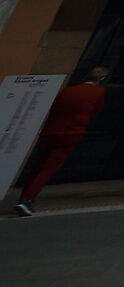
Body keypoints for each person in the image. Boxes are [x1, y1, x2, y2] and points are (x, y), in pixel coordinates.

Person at [14, 66, 110, 215]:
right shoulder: (99, 92)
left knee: (38, 167)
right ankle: (26, 200)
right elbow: (96, 110)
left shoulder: (67, 90)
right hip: (70, 134)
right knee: (49, 168)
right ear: (102, 79)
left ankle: (25, 198)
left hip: (49, 132)